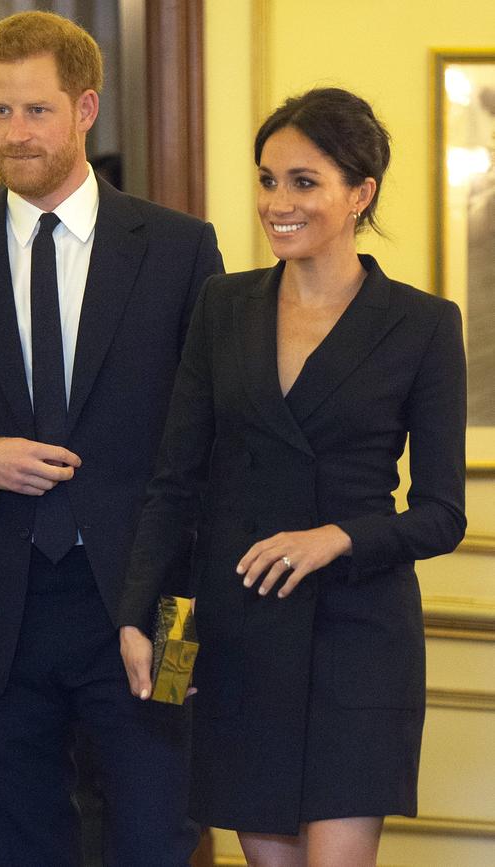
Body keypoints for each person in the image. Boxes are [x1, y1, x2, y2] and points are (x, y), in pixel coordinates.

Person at [0, 11, 222, 867]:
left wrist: (183, 634)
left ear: (86, 107)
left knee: (158, 838)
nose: (15, 136)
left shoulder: (177, 249)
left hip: (144, 612)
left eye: (37, 112)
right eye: (0, 111)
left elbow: (213, 445)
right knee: (15, 845)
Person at [119, 87, 467, 867]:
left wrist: (337, 537)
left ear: (360, 193)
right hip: (238, 634)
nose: (277, 202)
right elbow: (178, 485)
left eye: (303, 181)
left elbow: (443, 513)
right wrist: (146, 623)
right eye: (268, 179)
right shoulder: (224, 305)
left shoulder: (422, 323)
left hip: (359, 637)